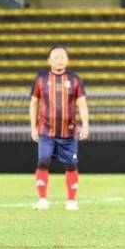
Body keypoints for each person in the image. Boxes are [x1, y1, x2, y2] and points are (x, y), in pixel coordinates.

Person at [30, 46, 89, 211]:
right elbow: (34, 103)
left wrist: (85, 124)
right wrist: (33, 128)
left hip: (68, 132)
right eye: (55, 57)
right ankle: (42, 199)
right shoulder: (41, 79)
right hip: (46, 131)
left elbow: (82, 103)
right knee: (43, 161)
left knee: (71, 165)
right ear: (49, 60)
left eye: (62, 57)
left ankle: (71, 201)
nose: (59, 60)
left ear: (67, 60)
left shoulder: (75, 79)